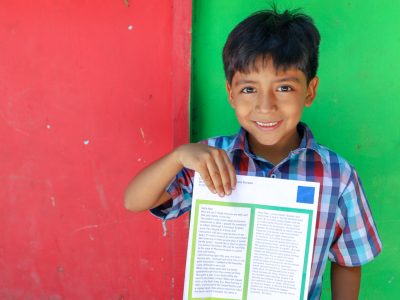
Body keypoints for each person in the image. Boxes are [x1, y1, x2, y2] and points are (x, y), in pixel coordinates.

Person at [124, 7, 382, 299]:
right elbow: (134, 201)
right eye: (248, 89)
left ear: (309, 91)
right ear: (231, 93)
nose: (265, 106)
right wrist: (178, 157)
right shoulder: (207, 159)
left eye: (284, 87)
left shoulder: (338, 175)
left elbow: (348, 261)